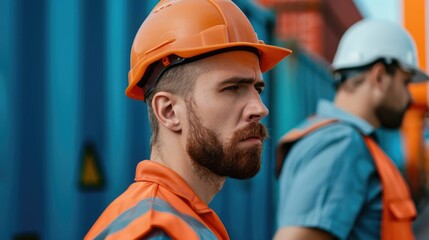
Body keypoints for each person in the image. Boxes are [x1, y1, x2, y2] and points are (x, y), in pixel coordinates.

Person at [85, 0, 291, 239]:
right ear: (169, 111)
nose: (260, 108)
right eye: (233, 88)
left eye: (258, 89)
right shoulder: (156, 230)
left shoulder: (179, 219)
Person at [274, 19, 429, 240]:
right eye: (405, 83)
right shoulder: (341, 143)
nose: (409, 96)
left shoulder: (344, 140)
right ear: (380, 76)